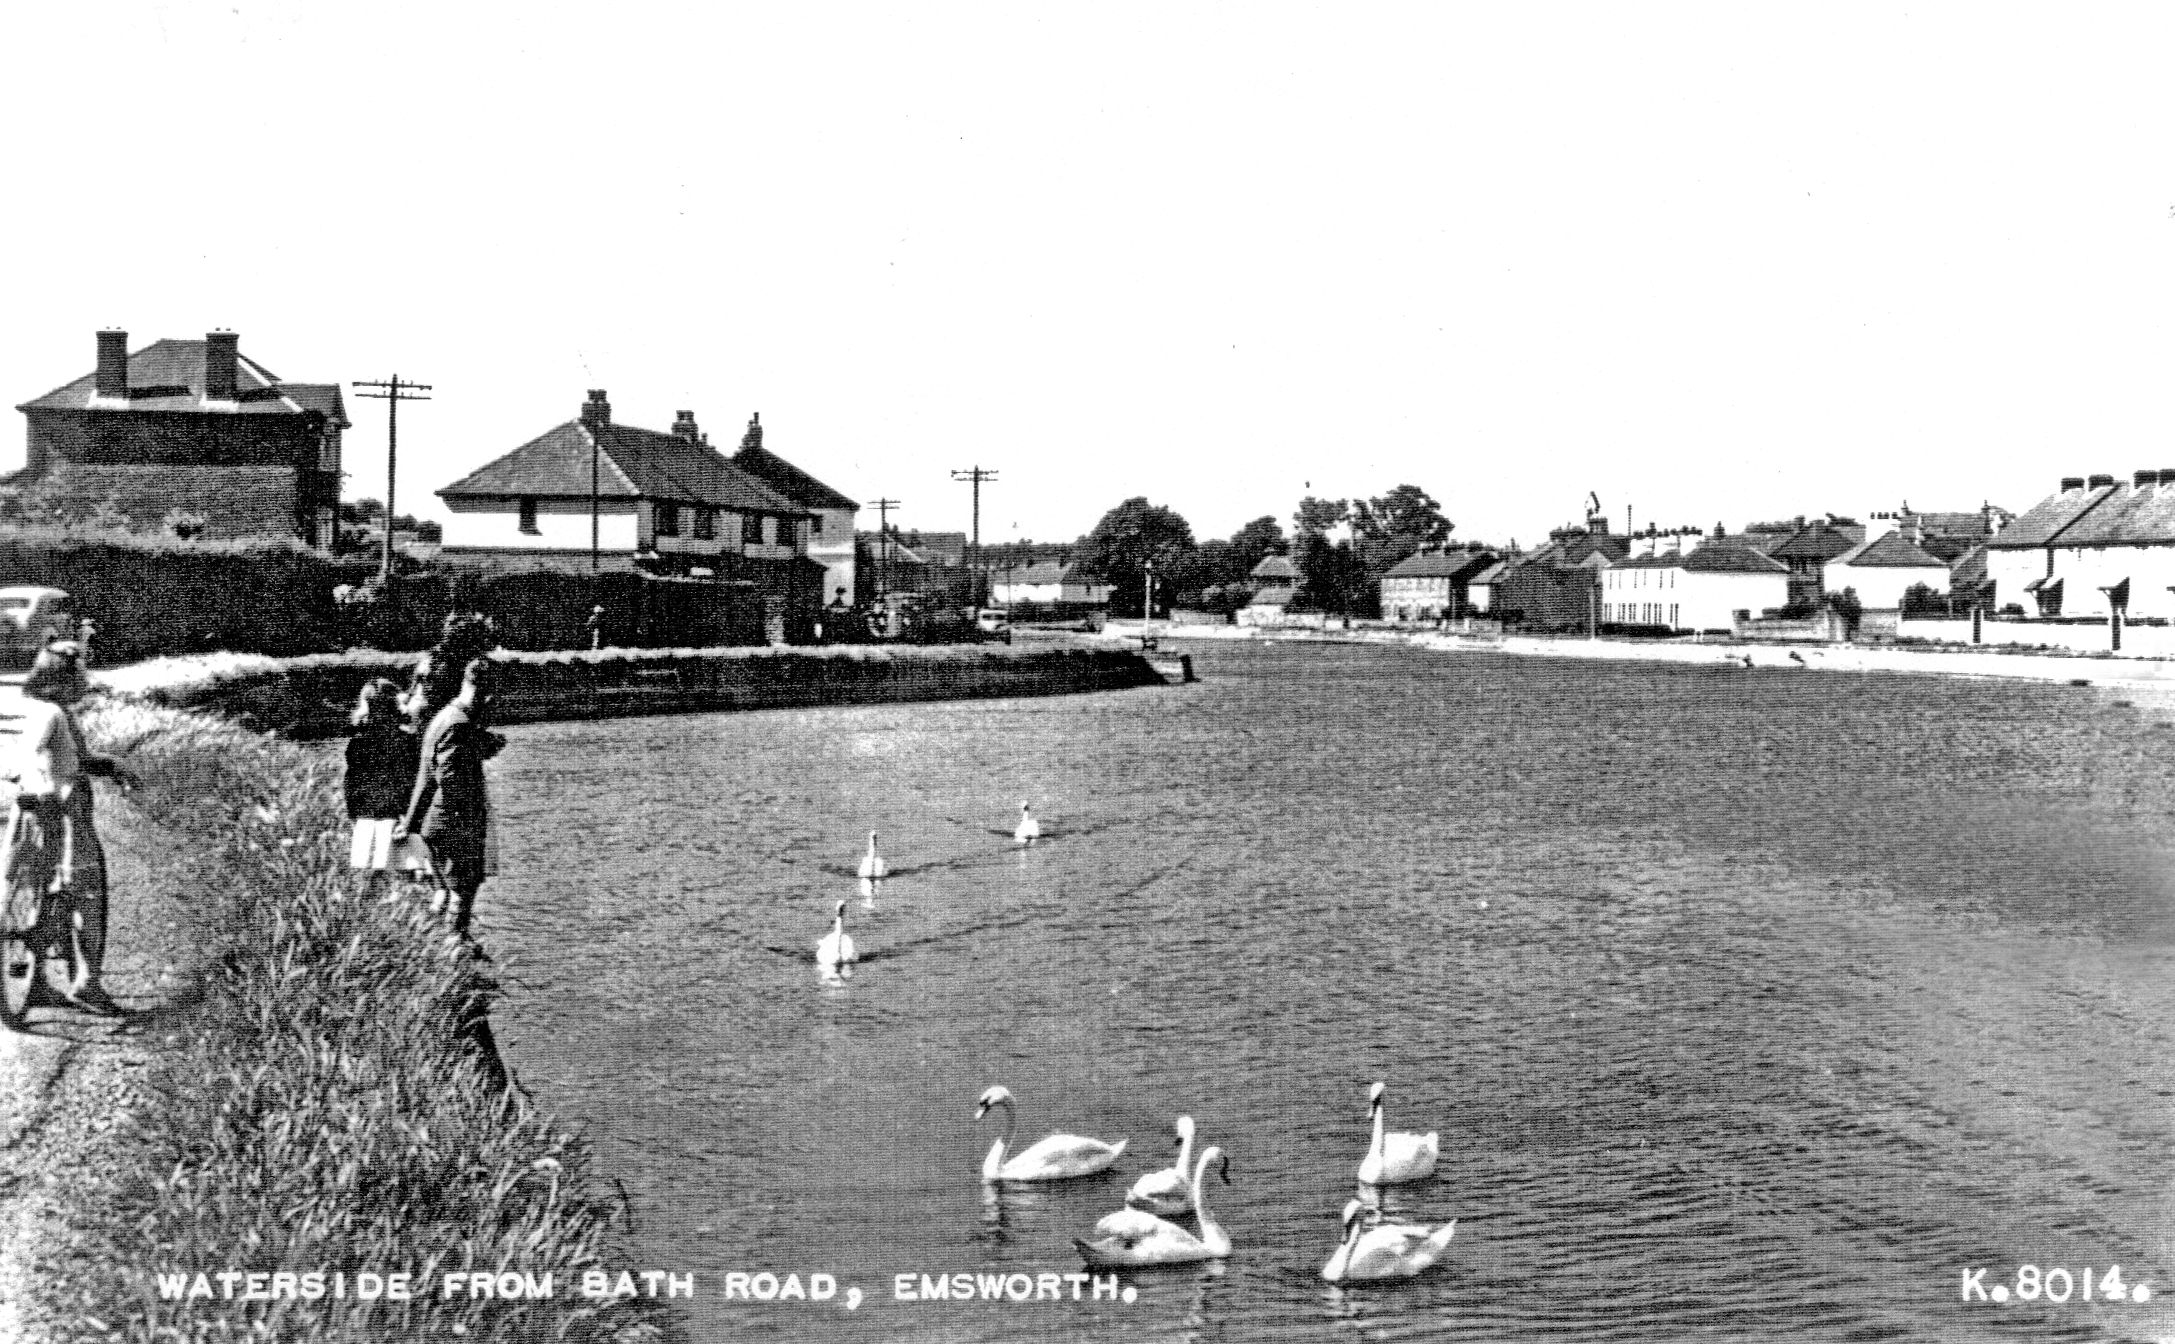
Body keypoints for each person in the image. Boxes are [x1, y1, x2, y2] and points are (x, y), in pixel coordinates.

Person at [4, 641, 140, 1014]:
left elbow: (70, 759)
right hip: (65, 810)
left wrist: (112, 765)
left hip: (33, 811)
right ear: (64, 679)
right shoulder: (53, 715)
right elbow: (35, 754)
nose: (86, 680)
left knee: (43, 889)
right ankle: (87, 983)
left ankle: (38, 983)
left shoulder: (41, 709)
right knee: (88, 895)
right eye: (81, 673)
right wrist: (50, 784)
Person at [397, 657, 504, 938]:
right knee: (462, 893)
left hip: (440, 824)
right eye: (493, 692)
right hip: (454, 824)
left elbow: (426, 777)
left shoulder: (445, 718)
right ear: (484, 689)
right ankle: (456, 954)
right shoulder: (458, 725)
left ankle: (436, 948)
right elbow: (452, 784)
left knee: (448, 893)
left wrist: (410, 822)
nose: (494, 702)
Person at [343, 678, 418, 891]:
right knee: (403, 883)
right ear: (394, 705)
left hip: (366, 817)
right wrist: (410, 817)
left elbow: (351, 784)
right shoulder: (405, 740)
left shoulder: (358, 741)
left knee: (366, 881)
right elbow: (410, 782)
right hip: (396, 817)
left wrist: (353, 815)